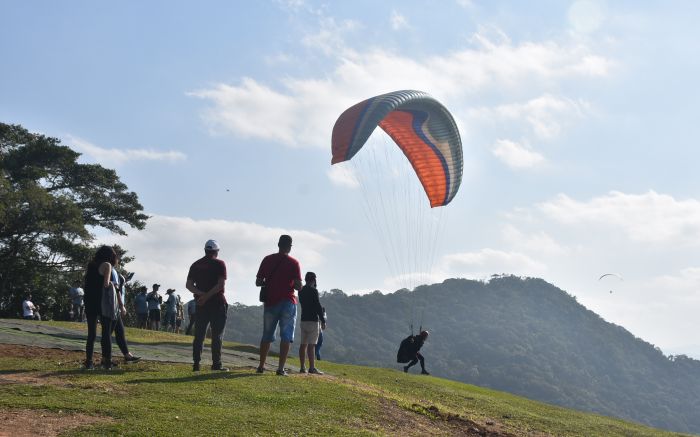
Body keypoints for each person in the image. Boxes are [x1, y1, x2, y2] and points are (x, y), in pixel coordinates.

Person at [255, 234, 302, 376]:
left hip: (270, 301)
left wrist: (269, 283)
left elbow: (258, 281)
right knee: (286, 336)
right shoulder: (294, 263)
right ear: (290, 246)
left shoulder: (267, 259)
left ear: (278, 244)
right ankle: (280, 369)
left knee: (267, 335)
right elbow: (299, 286)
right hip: (288, 301)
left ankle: (261, 366)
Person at [83, 245, 128, 369]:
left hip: (89, 300)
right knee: (106, 332)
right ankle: (107, 361)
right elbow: (106, 284)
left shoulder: (91, 265)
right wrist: (116, 284)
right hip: (101, 302)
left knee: (91, 334)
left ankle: (89, 362)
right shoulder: (107, 265)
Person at [186, 239, 229, 372]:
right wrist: (207, 296)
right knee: (217, 335)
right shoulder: (220, 264)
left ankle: (196, 364)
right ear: (216, 251)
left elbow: (189, 285)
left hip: (201, 305)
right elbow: (220, 285)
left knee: (199, 335)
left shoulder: (196, 265)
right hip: (217, 303)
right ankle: (216, 364)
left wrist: (201, 295)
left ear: (205, 250)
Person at [298, 272, 326, 374]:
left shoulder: (300, 291)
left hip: (303, 319)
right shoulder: (314, 291)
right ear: (314, 280)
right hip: (313, 321)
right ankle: (312, 368)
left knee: (303, 344)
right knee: (312, 345)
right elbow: (318, 306)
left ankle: (302, 367)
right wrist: (323, 320)